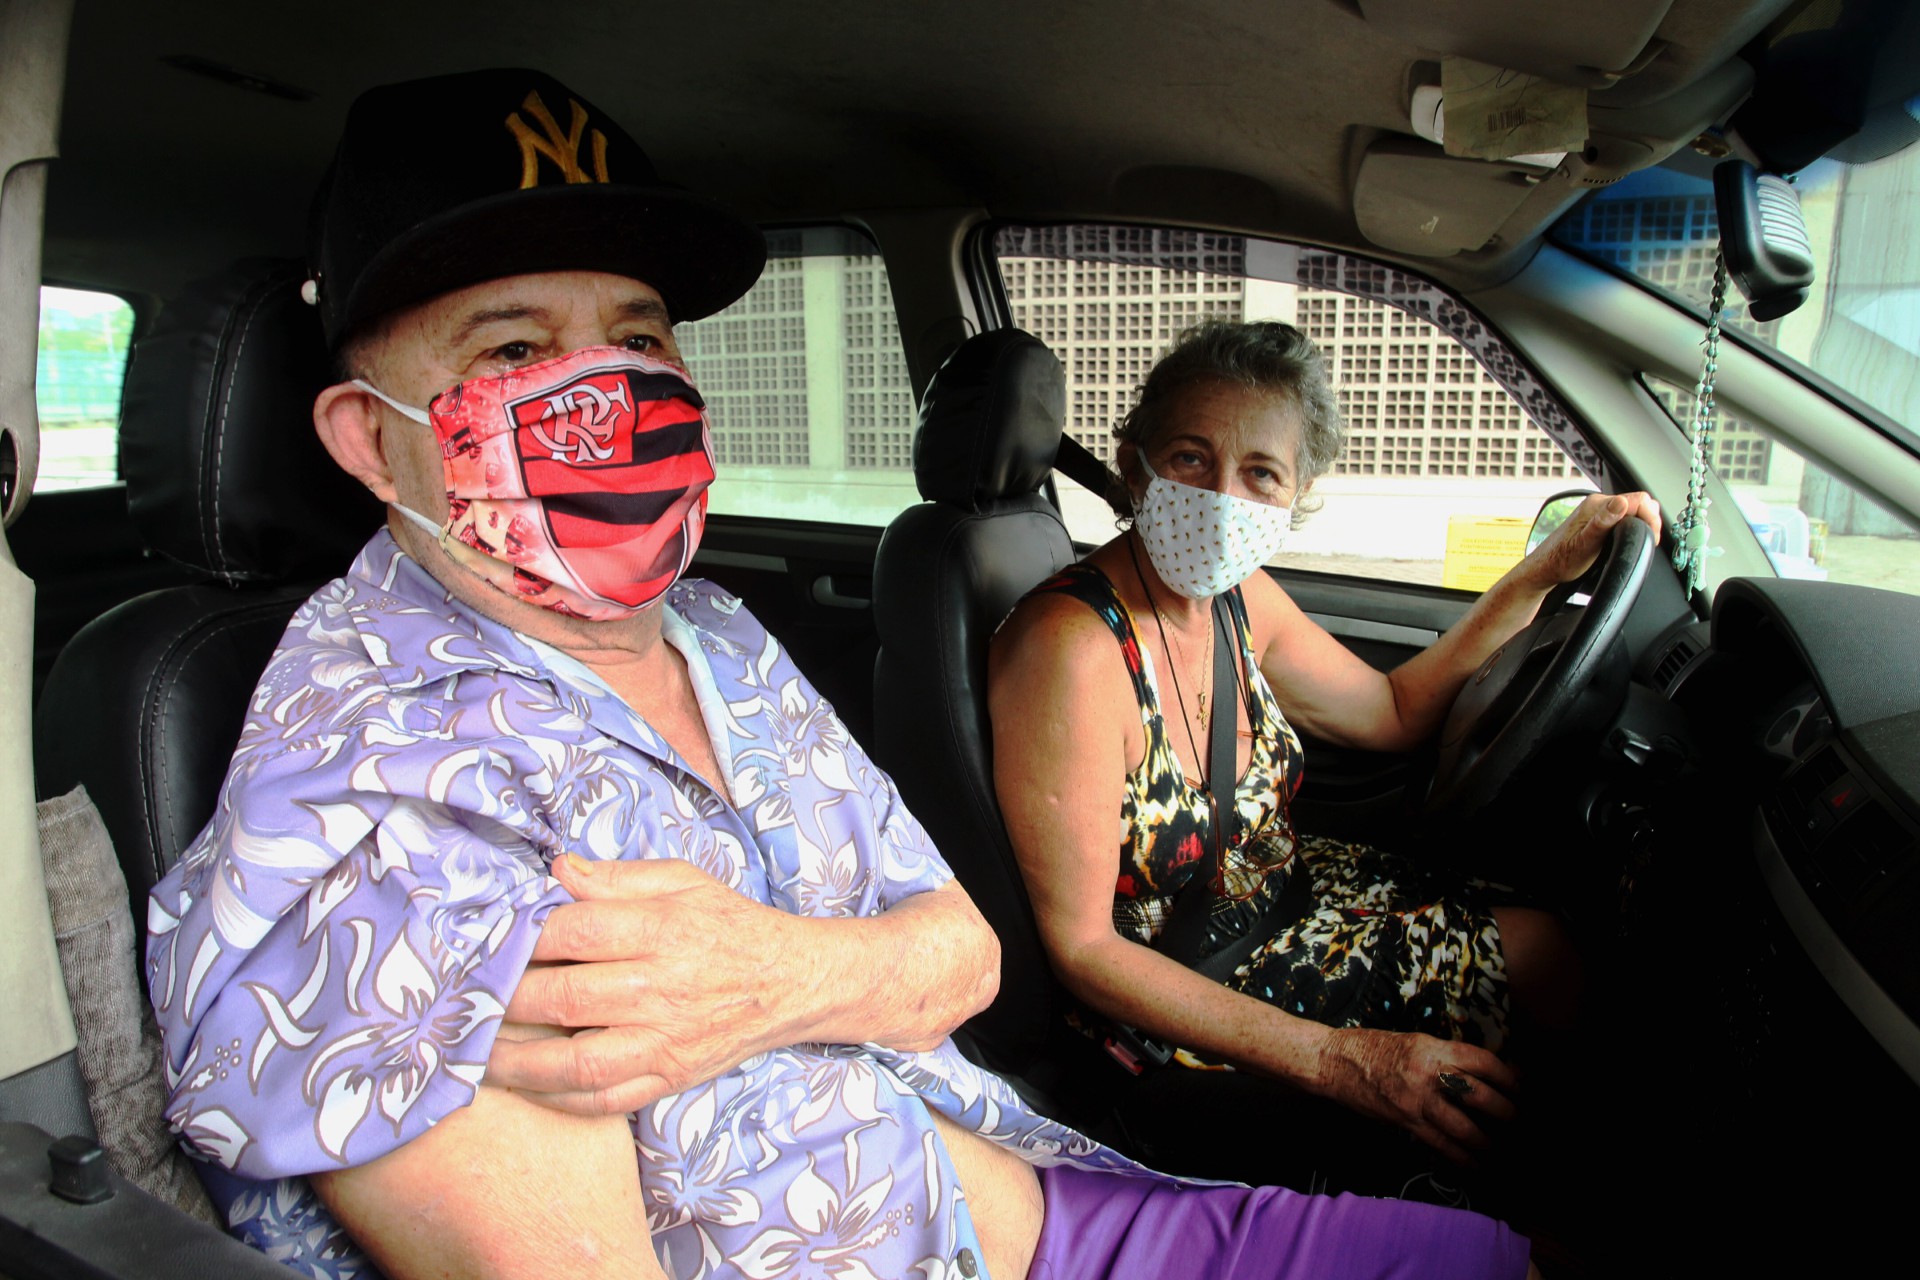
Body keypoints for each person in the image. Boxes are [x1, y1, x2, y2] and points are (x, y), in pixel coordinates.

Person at [148, 69, 1535, 1280]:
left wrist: (784, 972)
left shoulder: (716, 636)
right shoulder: (383, 817)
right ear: (360, 435)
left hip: (1048, 1198)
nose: (602, 388)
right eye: (513, 348)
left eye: (635, 336)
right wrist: (862, 972)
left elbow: (963, 954)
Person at [988, 320, 1662, 1164]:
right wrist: (1344, 1059)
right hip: (1173, 989)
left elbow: (1391, 709)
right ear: (1136, 467)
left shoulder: (1238, 598)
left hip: (1278, 894)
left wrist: (1540, 574)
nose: (1223, 497)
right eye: (1191, 458)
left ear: (1296, 495)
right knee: (1541, 954)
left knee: (1529, 896)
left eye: (1261, 473)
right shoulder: (1071, 648)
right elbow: (1084, 949)